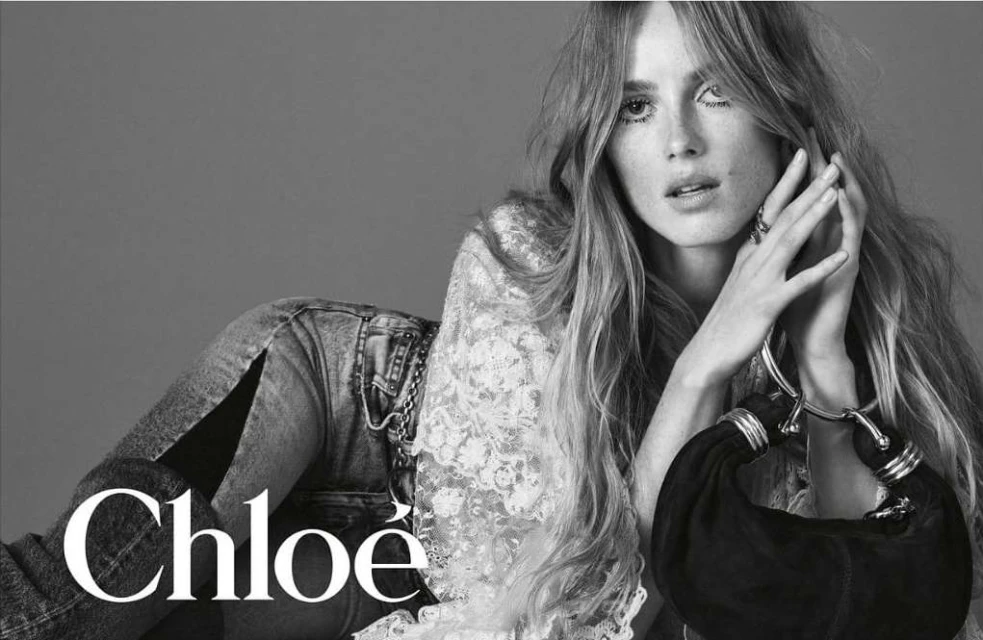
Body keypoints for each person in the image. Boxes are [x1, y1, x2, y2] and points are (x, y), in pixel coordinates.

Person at [1, 2, 981, 639]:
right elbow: (560, 587)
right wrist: (702, 367)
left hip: (416, 563)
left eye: (714, 92)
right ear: (602, 137)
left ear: (781, 110)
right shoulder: (530, 260)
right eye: (635, 107)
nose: (679, 143)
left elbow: (871, 603)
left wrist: (820, 358)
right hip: (351, 410)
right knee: (83, 601)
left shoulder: (885, 332)